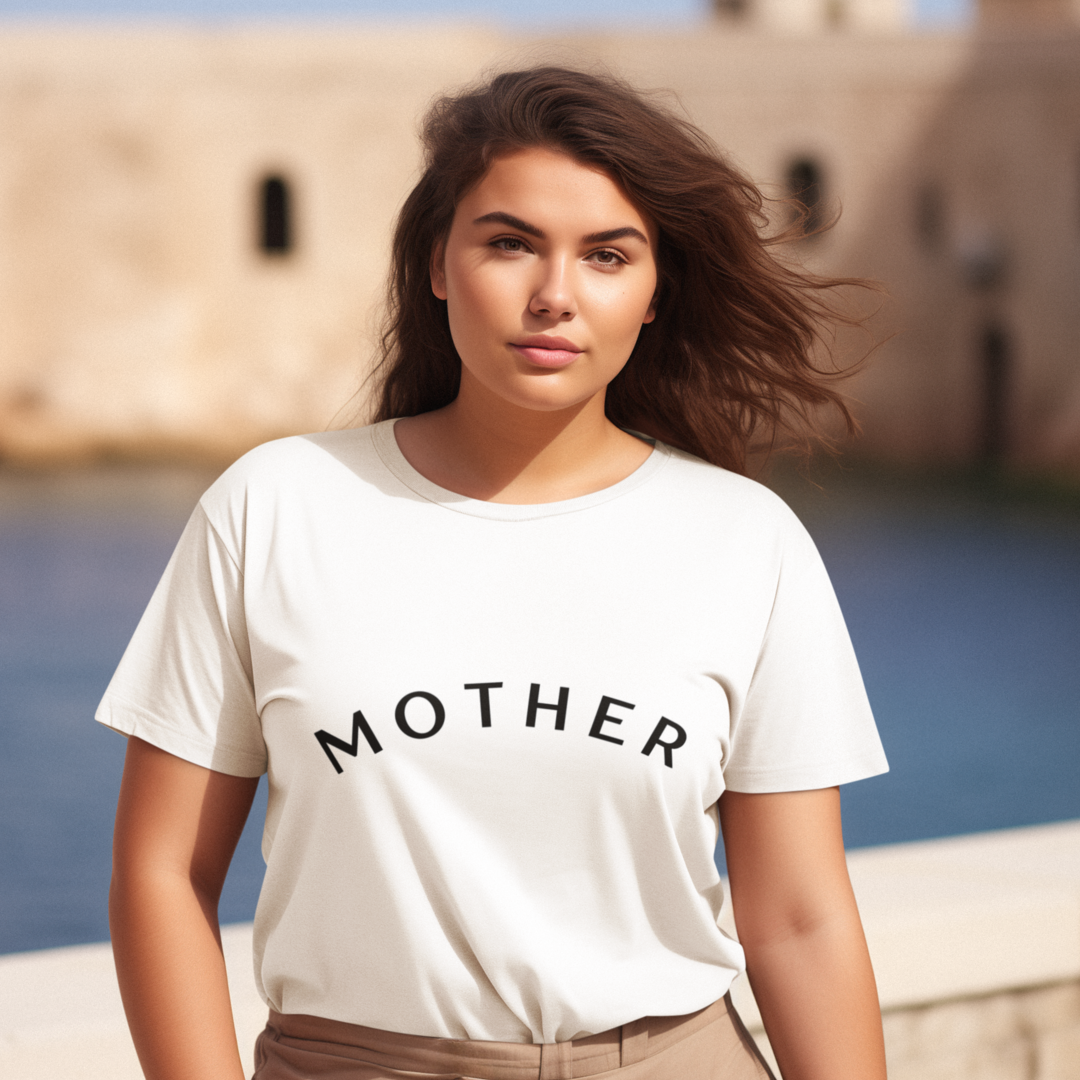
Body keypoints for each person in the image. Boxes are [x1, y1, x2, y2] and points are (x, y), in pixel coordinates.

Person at [100, 66, 889, 1080]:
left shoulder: (746, 541)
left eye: (607, 256)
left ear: (655, 295)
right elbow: (162, 871)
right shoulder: (276, 509)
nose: (554, 296)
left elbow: (799, 918)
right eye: (510, 243)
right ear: (437, 265)